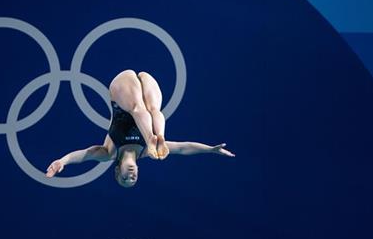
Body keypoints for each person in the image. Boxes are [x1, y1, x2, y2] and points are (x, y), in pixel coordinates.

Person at [46, 69, 235, 187]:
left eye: (124, 179)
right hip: (148, 95)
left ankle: (154, 136)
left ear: (117, 172)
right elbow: (183, 147)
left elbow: (83, 155)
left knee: (137, 109)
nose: (131, 177)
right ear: (138, 172)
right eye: (133, 179)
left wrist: (63, 161)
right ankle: (158, 135)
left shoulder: (109, 153)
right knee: (153, 110)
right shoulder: (145, 153)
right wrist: (210, 150)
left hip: (122, 91)